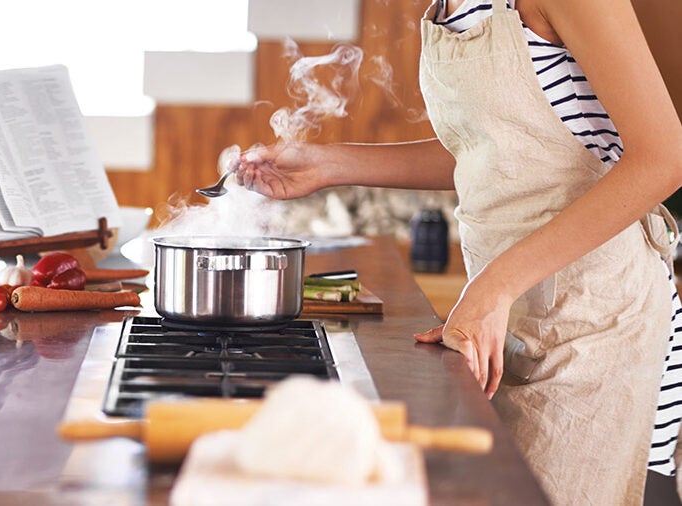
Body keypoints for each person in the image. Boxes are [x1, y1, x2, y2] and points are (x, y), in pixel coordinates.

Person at [236, 0, 682, 504]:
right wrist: (330, 164)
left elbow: (664, 158)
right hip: (511, 319)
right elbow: (492, 152)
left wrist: (495, 285)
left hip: (600, 323)